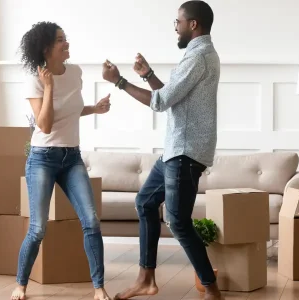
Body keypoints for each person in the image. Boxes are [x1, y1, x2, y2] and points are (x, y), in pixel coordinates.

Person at [102, 1, 221, 299]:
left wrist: (119, 81)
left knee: (178, 222)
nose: (175, 27)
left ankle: (212, 290)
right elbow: (173, 97)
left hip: (185, 151)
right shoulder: (199, 55)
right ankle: (146, 279)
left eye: (177, 22)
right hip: (176, 150)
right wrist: (148, 74)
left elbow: (160, 102)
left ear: (193, 24)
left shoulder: (199, 57)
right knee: (145, 203)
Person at [11, 21, 112, 300]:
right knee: (38, 228)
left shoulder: (76, 72)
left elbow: (71, 110)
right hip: (42, 158)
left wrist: (95, 109)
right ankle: (20, 284)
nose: (66, 43)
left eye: (65, 38)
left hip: (72, 157)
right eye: (60, 40)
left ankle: (99, 287)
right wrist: (49, 86)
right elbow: (44, 125)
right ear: (46, 48)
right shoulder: (34, 78)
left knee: (91, 221)